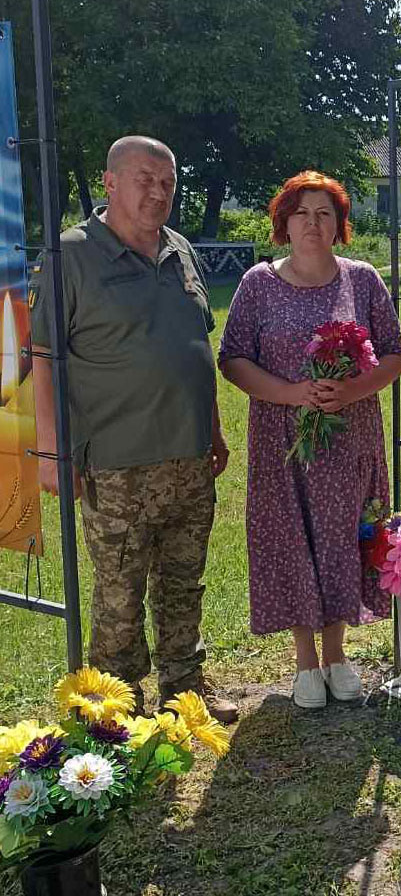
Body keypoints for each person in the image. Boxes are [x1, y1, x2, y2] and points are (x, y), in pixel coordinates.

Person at [30, 136, 237, 721]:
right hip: (115, 461)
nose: (157, 192)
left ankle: (184, 688)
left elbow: (195, 347)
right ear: (110, 182)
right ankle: (114, 708)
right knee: (119, 591)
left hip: (189, 455)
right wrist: (50, 450)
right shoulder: (70, 255)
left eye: (167, 182)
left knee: (184, 581)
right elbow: (43, 356)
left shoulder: (179, 249)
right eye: (145, 179)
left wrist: (214, 429)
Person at [218, 172, 401, 709]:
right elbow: (232, 359)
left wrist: (349, 391)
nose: (312, 223)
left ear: (339, 224)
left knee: (341, 534)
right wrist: (292, 393)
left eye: (324, 213)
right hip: (282, 441)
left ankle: (337, 654)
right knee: (291, 536)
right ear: (284, 222)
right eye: (301, 213)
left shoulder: (362, 280)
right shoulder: (258, 284)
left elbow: (394, 353)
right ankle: (304, 661)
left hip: (348, 439)